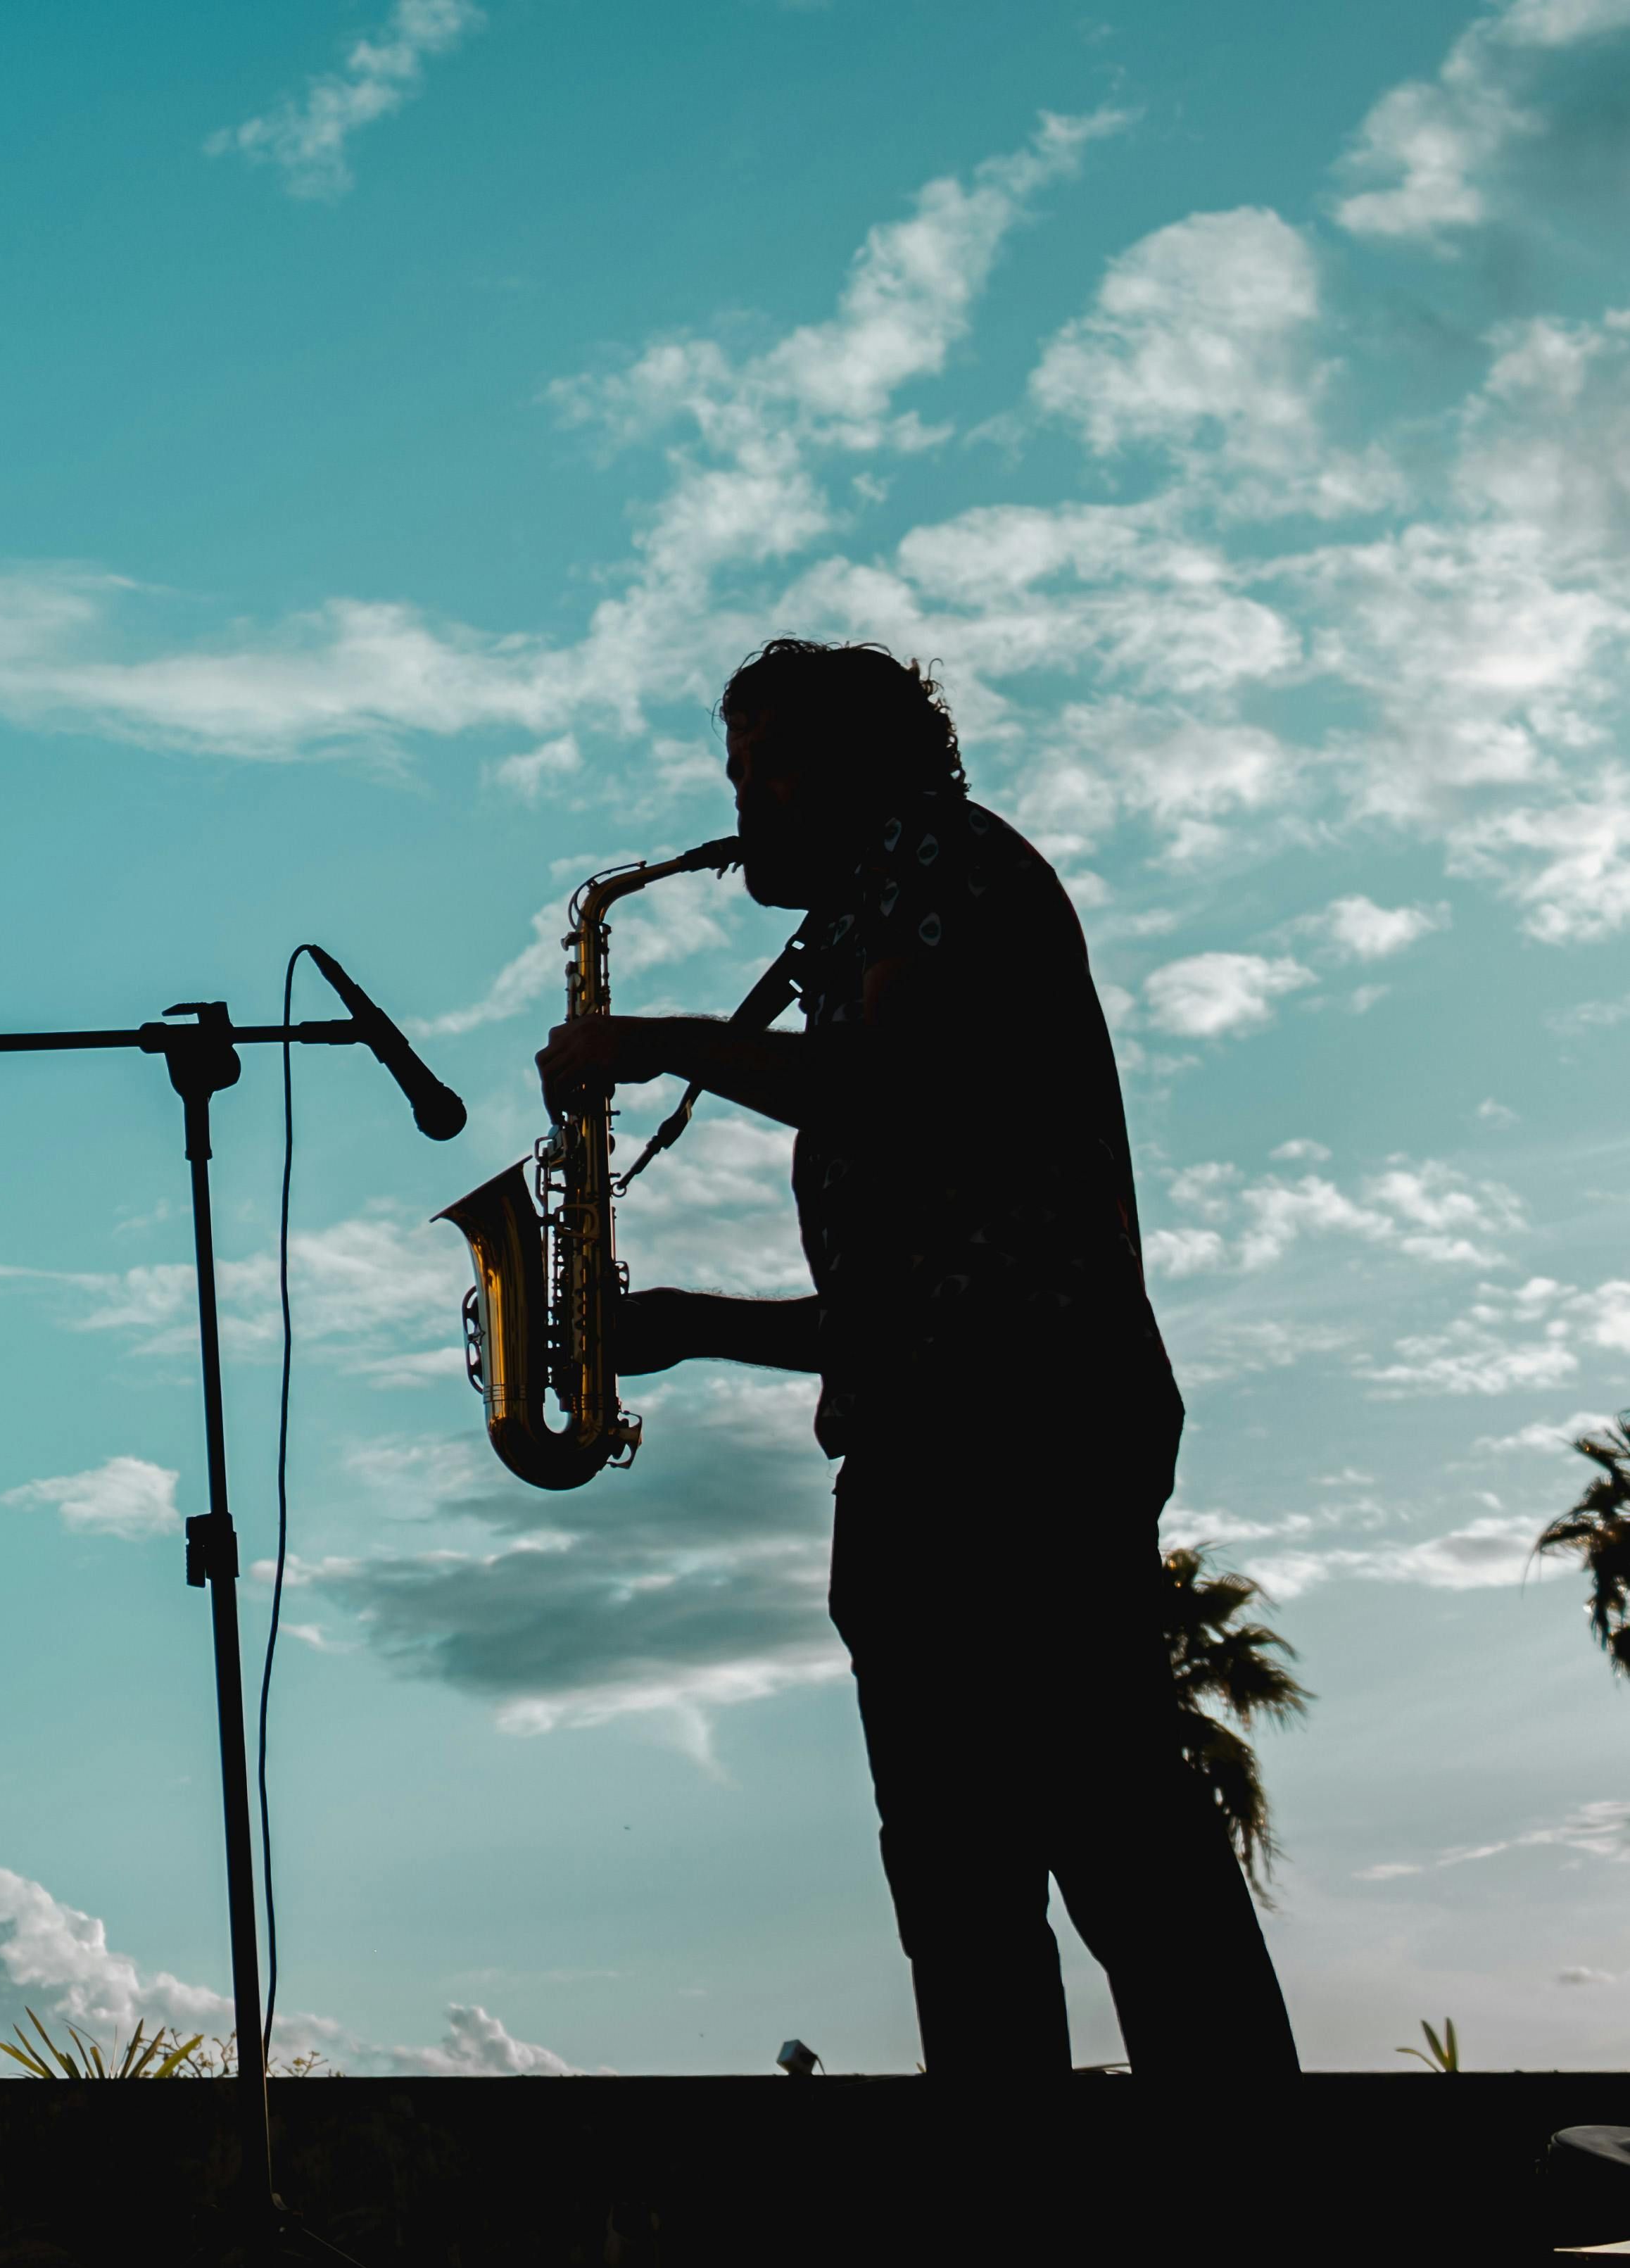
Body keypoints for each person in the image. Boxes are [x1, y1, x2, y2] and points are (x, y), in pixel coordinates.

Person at [535, 640, 1296, 2085]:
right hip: (943, 1429)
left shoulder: (936, 868)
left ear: (869, 767)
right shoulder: (869, 912)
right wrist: (693, 1322)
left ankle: (1244, 2219)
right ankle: (1045, 2230)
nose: (743, 806)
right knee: (967, 1880)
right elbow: (915, 1296)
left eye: (771, 767)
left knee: (1103, 1842)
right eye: (735, 775)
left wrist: (655, 1044)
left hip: (1011, 1434)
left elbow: (895, 1088)